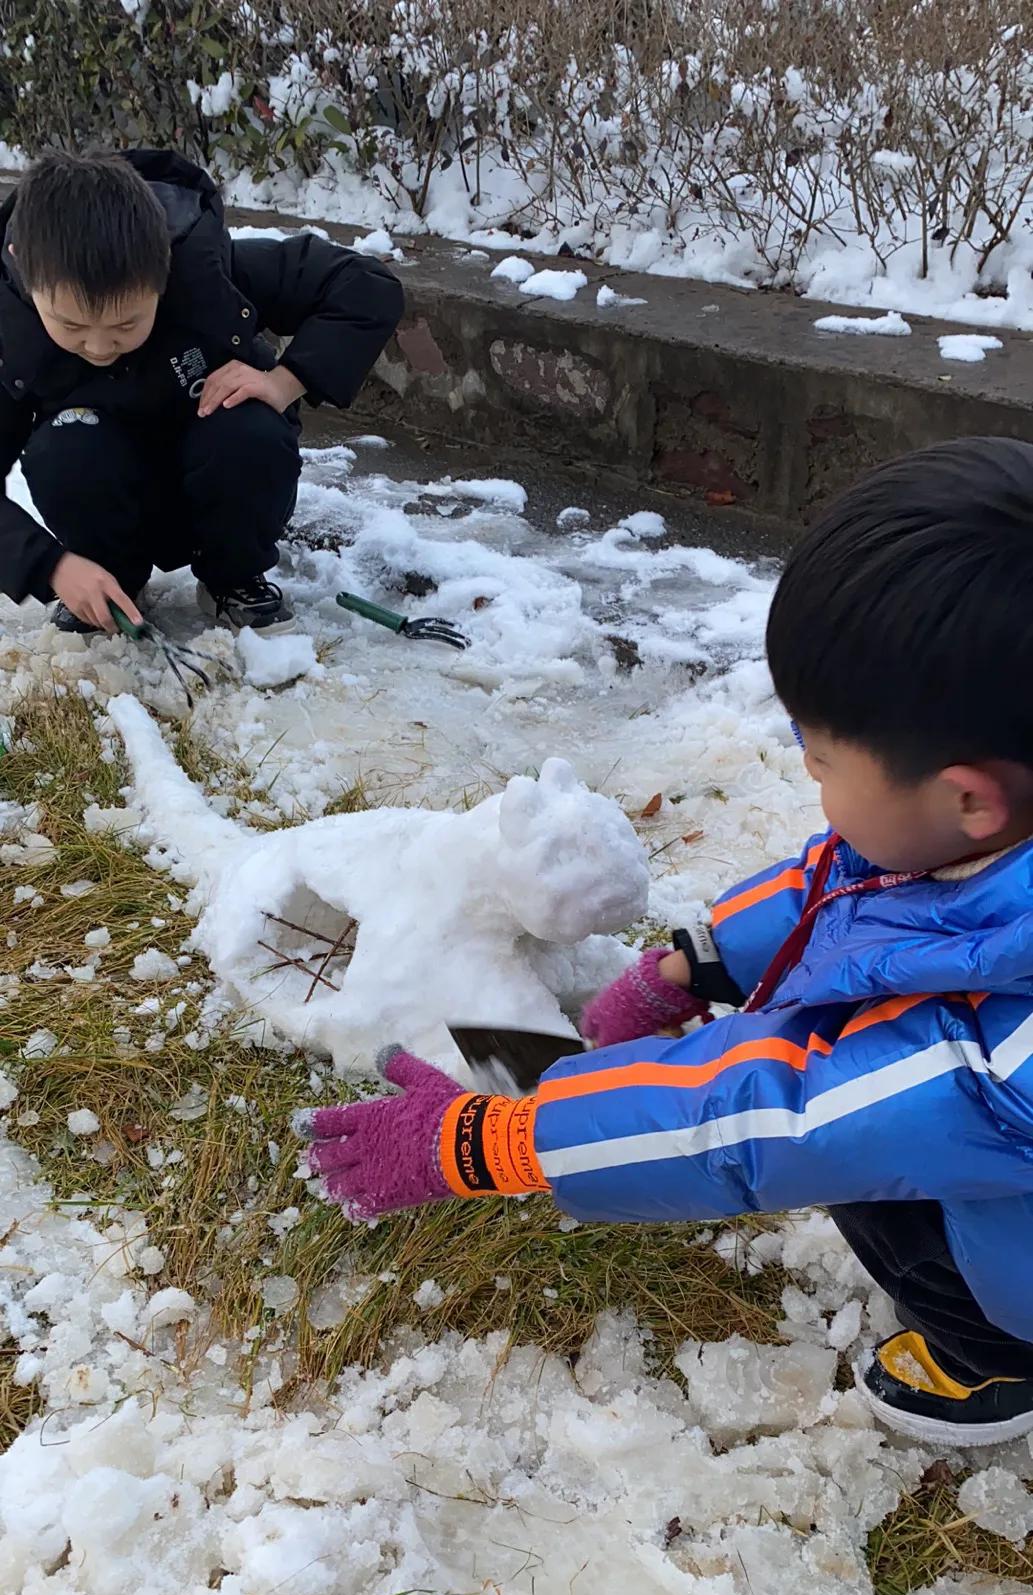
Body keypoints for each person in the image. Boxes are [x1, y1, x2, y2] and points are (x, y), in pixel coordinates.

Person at [296, 436, 1033, 1450]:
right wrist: (695, 960)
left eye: (820, 757)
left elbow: (768, 1120)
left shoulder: (1006, 1060)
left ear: (967, 797)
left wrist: (499, 1140)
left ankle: (986, 1360)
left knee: (868, 1157)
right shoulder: (984, 832)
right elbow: (845, 875)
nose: (810, 780)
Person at [0, 149, 403, 637]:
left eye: (127, 323)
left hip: (223, 487)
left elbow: (366, 285)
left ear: (162, 265)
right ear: (23, 268)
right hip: (103, 499)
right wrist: (53, 567)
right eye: (71, 326)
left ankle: (234, 580)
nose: (100, 346)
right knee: (63, 447)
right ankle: (111, 581)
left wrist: (285, 380)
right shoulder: (10, 333)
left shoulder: (208, 276)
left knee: (249, 427)